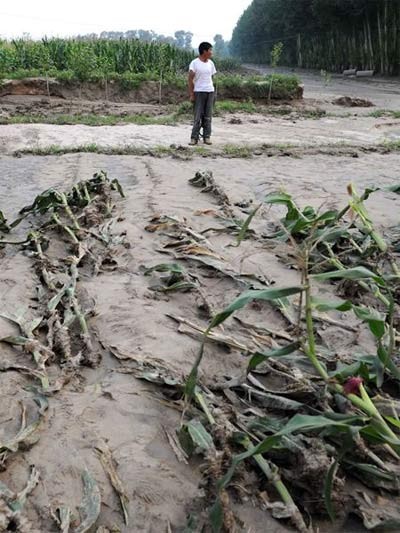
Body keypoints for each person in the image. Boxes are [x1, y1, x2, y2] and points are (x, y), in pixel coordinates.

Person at [188, 42, 217, 146]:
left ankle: (207, 137)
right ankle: (194, 138)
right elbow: (190, 79)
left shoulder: (211, 63)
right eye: (210, 50)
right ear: (204, 51)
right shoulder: (194, 63)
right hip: (199, 92)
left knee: (208, 116)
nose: (211, 52)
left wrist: (213, 92)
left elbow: (212, 78)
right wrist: (191, 94)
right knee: (197, 116)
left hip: (210, 92)